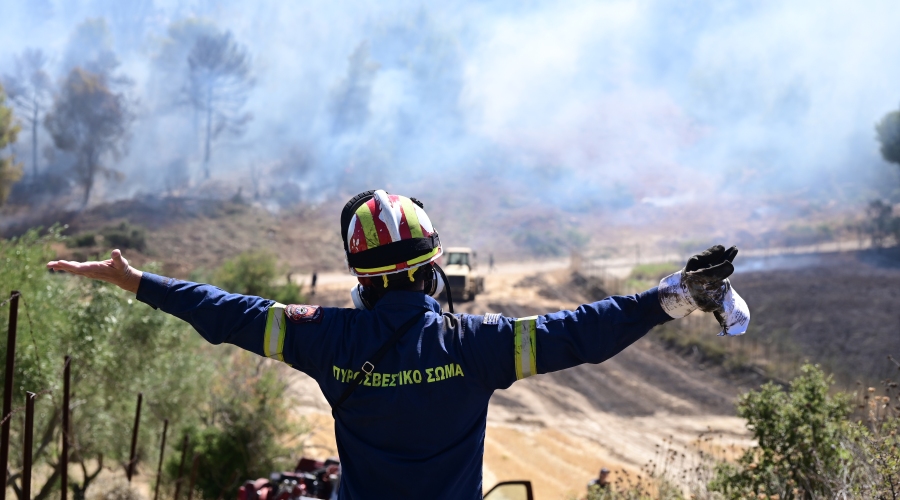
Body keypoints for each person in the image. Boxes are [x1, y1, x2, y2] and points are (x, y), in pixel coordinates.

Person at [47, 189, 748, 500]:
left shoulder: (326, 338)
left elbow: (227, 312)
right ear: (432, 269)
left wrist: (137, 282)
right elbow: (581, 333)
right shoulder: (477, 343)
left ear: (363, 277)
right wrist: (674, 298)